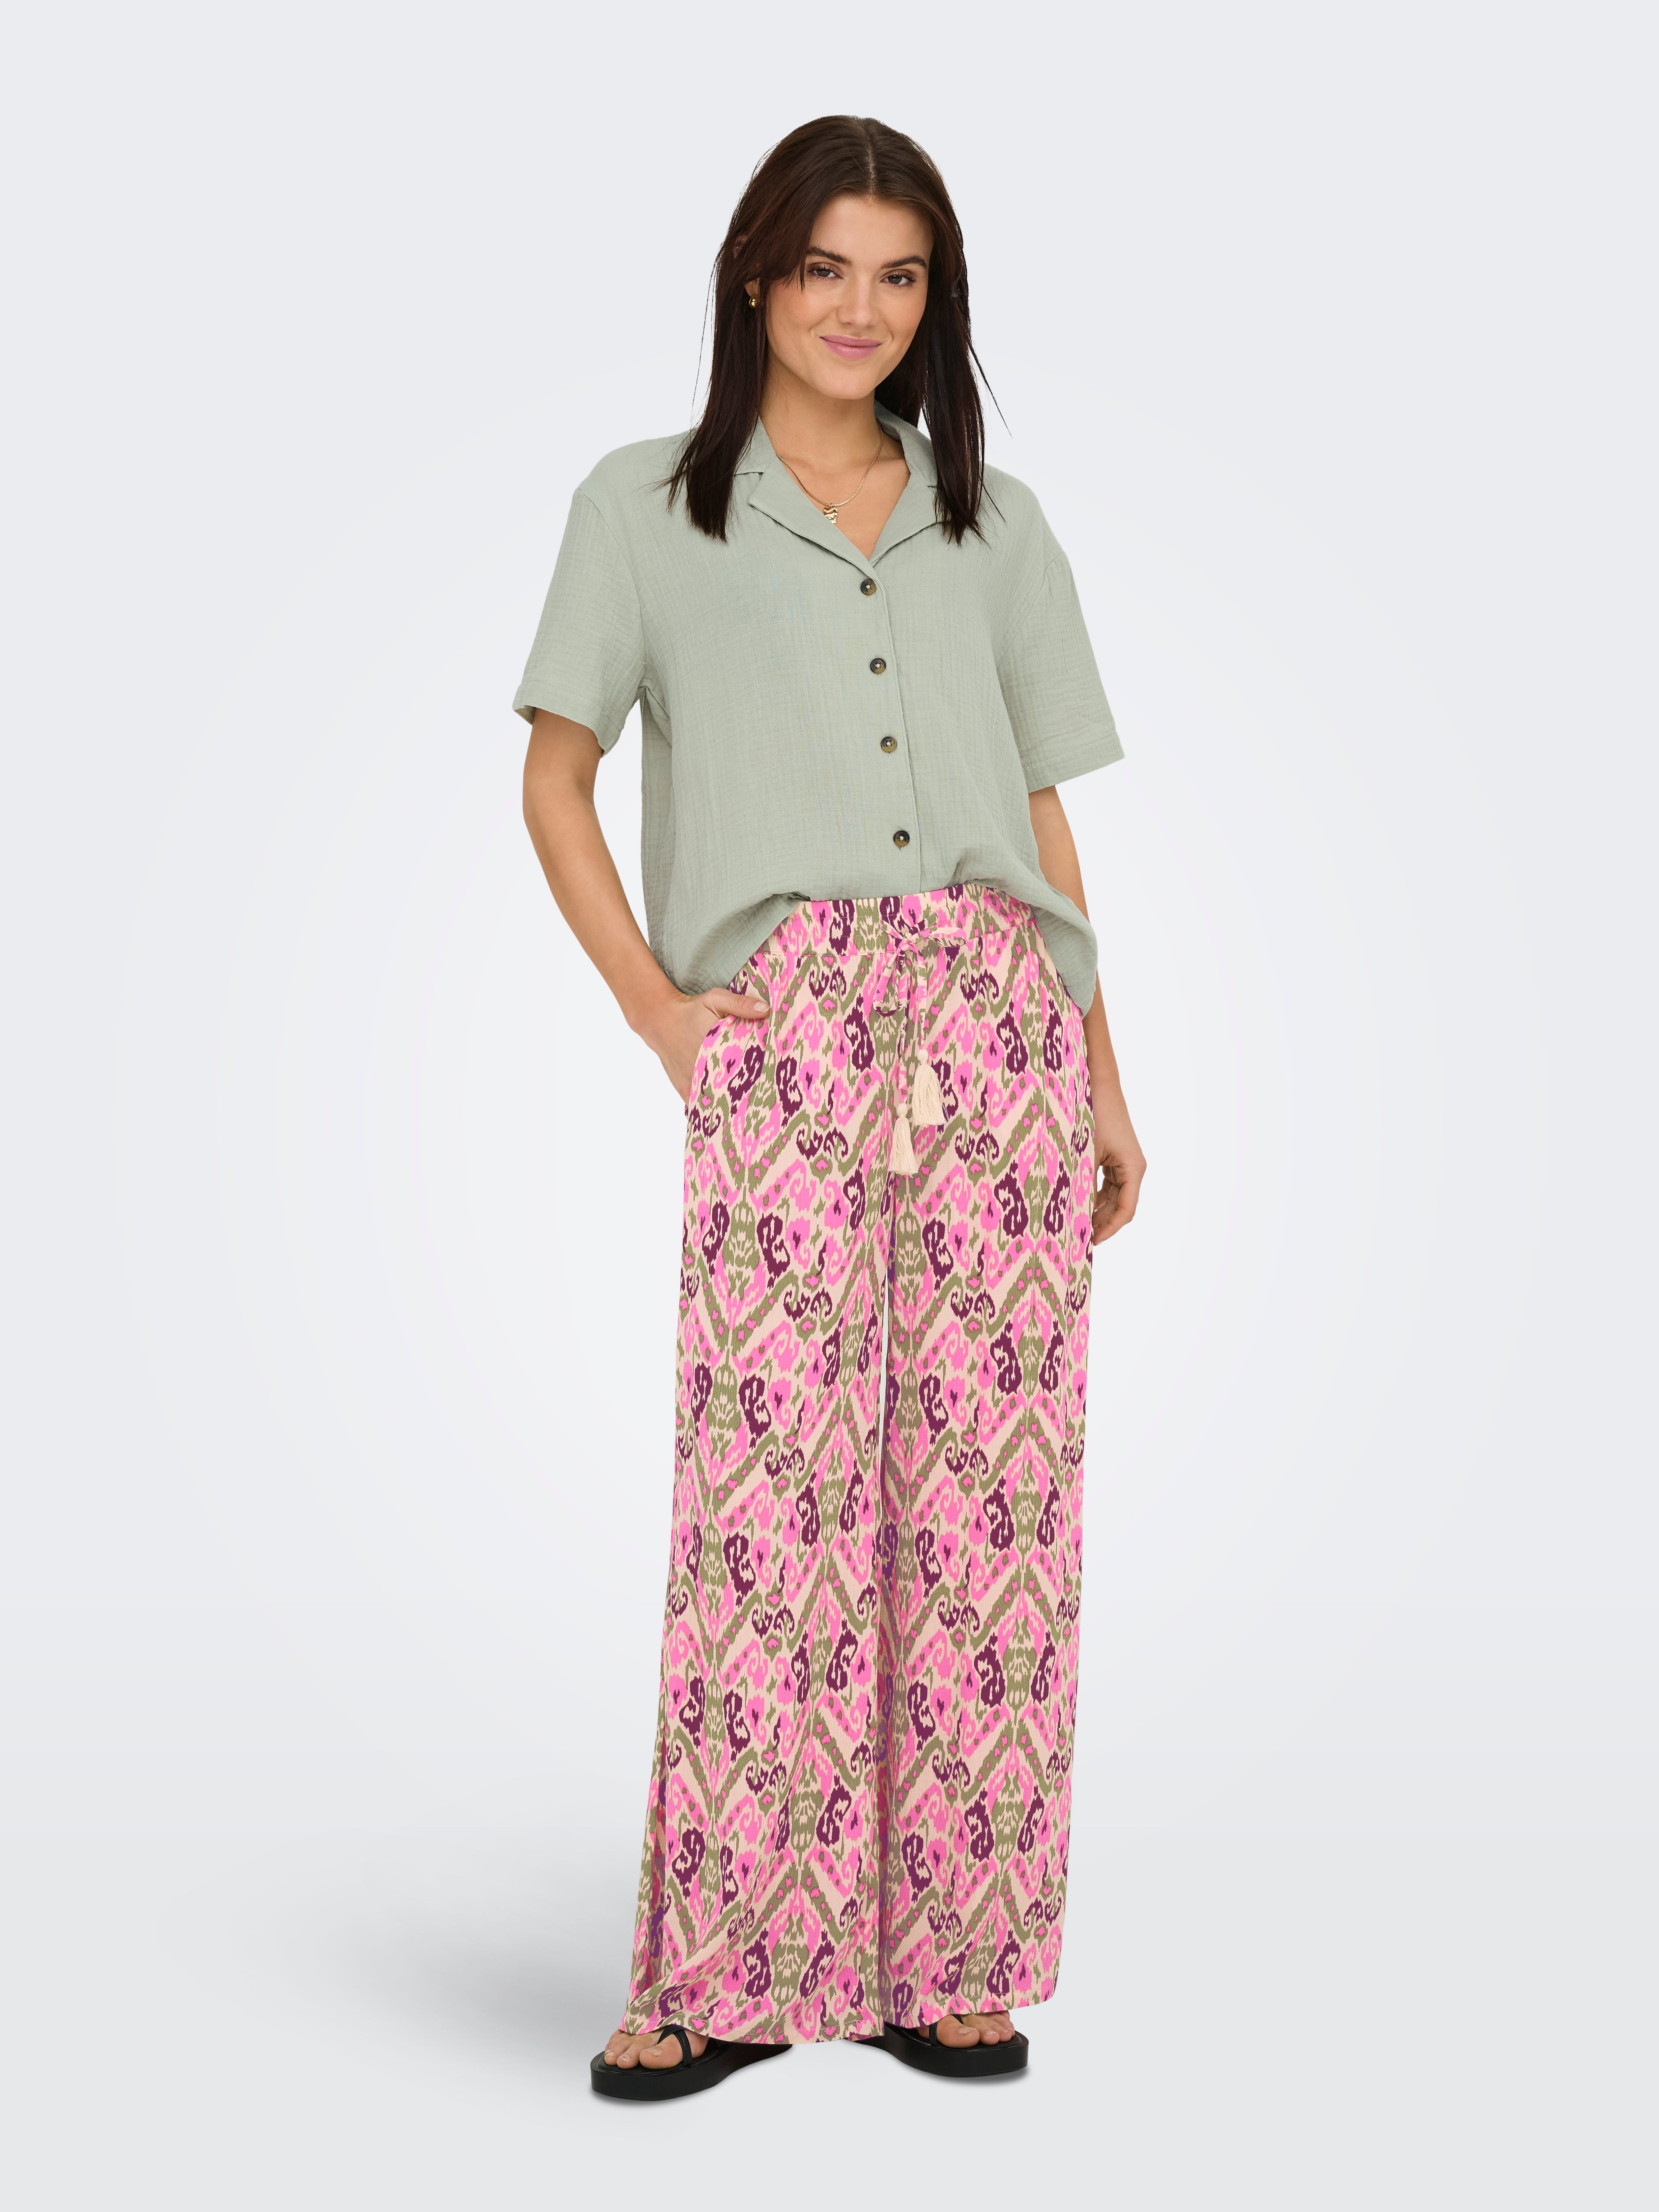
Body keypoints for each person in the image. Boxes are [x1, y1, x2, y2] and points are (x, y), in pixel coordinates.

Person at [515, 114, 1145, 2100]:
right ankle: (723, 1969)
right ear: (754, 281)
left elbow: (1036, 809)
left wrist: (1105, 1074)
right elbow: (554, 776)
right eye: (823, 270)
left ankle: (950, 1952)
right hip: (782, 1027)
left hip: (998, 1024)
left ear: (931, 299)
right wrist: (662, 1012)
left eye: (899, 275)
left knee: (989, 1505)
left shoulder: (994, 521)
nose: (859, 309)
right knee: (767, 1498)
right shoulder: (643, 508)